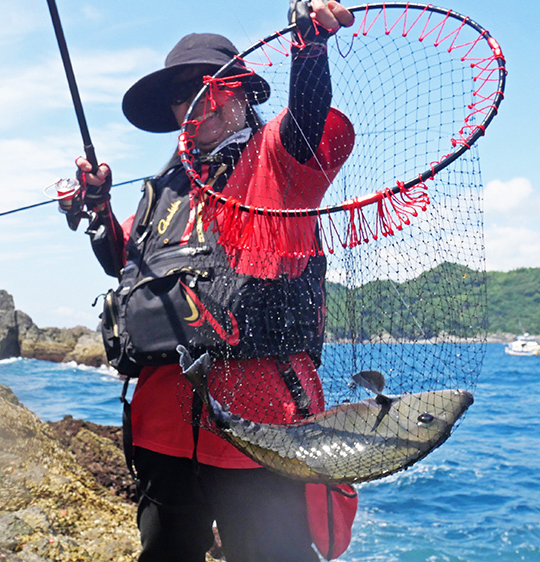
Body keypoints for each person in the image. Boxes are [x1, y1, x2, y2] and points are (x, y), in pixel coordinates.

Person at [73, 2, 356, 560]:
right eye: (181, 95)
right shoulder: (164, 188)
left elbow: (308, 123)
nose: (194, 102)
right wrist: (98, 208)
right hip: (160, 425)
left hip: (262, 429)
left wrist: (310, 45)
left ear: (242, 92)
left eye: (211, 86)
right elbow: (124, 262)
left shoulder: (278, 159)